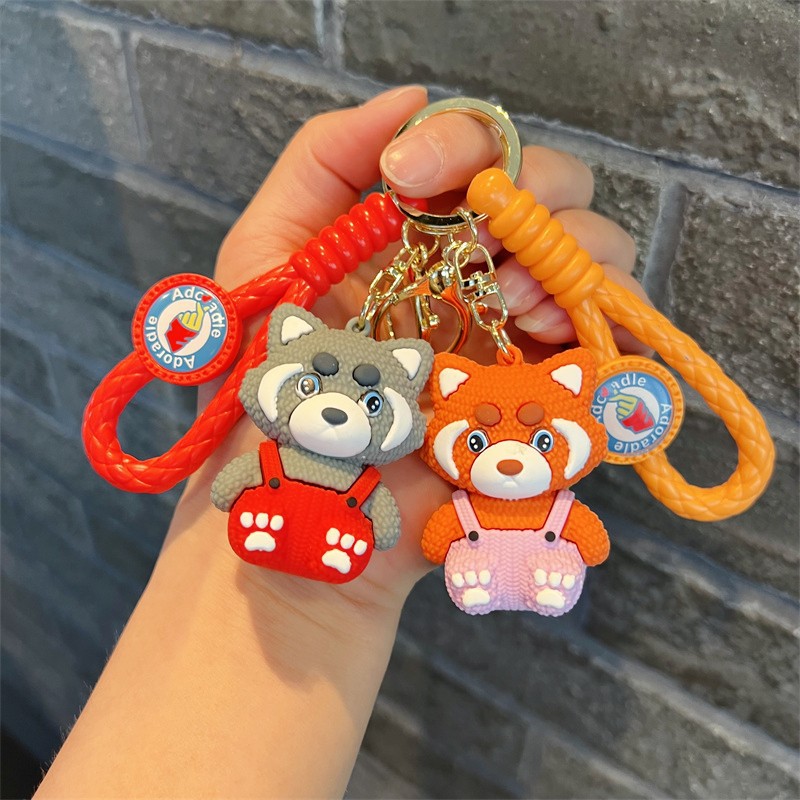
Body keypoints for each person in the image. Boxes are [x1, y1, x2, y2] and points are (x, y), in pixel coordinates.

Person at [34, 85, 647, 798]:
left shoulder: (420, 412)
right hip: (301, 508)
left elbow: (427, 522)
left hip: (368, 526)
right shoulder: (300, 334)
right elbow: (248, 482)